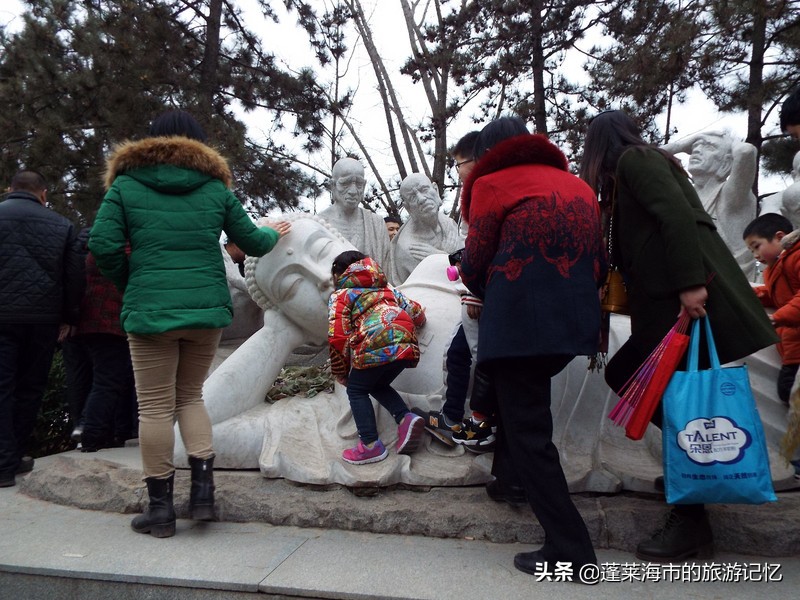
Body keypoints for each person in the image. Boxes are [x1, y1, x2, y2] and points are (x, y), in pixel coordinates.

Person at [579, 109, 778, 563]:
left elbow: (677, 218)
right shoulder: (624, 177)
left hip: (682, 300)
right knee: (635, 379)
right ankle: (697, 461)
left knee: (668, 394)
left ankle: (692, 512)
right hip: (663, 305)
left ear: (599, 145)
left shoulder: (636, 160)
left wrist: (690, 284)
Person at [89, 109, 291, 537]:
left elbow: (103, 244)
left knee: (155, 407)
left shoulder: (126, 185)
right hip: (205, 312)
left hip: (150, 315)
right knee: (191, 398)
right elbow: (253, 241)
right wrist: (275, 232)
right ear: (199, 144)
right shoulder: (214, 188)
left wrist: (134, 282)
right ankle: (203, 494)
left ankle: (160, 509)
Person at [460, 116, 603, 579]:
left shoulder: (492, 183)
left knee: (530, 432)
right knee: (516, 406)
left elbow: (475, 258)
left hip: (520, 322)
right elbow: (598, 260)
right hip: (573, 322)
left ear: (488, 154)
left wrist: (481, 284)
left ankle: (571, 547)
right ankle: (509, 480)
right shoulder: (578, 186)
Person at [414, 131, 497, 453]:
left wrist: (474, 290)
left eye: (459, 164)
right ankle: (454, 417)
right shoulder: (474, 194)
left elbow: (483, 246)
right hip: (477, 289)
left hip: (485, 294)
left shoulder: (486, 191)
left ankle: (480, 422)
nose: (457, 171)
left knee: (476, 357)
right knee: (460, 353)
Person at [0, 170, 84, 488]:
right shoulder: (61, 226)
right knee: (31, 388)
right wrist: (70, 317)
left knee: (2, 388)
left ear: (11, 189)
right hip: (42, 319)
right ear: (43, 194)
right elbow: (74, 277)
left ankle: (4, 461)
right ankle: (16, 454)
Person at [329, 250, 427, 464]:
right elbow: (416, 312)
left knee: (356, 389)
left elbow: (337, 336)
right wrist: (419, 320)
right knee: (374, 384)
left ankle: (370, 445)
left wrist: (341, 372)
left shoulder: (342, 295)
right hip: (406, 344)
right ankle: (405, 418)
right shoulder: (387, 289)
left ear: (338, 274)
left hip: (374, 341)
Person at [662, 131, 758, 279]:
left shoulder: (731, 195)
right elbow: (645, 162)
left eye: (709, 147)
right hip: (687, 282)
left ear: (726, 163)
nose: (697, 150)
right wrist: (680, 145)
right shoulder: (686, 195)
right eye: (695, 146)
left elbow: (746, 151)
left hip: (728, 287)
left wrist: (731, 140)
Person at [67, 248, 136, 452]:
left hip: (90, 320)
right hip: (110, 322)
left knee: (104, 378)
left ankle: (93, 428)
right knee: (108, 380)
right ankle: (92, 432)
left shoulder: (95, 246)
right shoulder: (124, 250)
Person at [744, 213, 800, 404]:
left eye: (756, 246)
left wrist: (778, 317)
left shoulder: (796, 257)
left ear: (779, 236)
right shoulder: (775, 268)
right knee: (787, 393)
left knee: (788, 392)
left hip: (795, 346)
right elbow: (775, 295)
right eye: (751, 251)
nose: (756, 256)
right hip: (791, 348)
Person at [389, 172, 463, 284]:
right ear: (408, 208)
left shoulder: (449, 224)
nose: (422, 199)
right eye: (413, 197)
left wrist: (438, 256)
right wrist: (446, 257)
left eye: (424, 189)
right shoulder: (408, 247)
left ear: (436, 190)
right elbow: (441, 282)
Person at [319, 158, 391, 267]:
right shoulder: (318, 223)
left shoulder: (376, 224)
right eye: (345, 183)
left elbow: (387, 269)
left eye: (359, 184)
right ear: (333, 185)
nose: (353, 191)